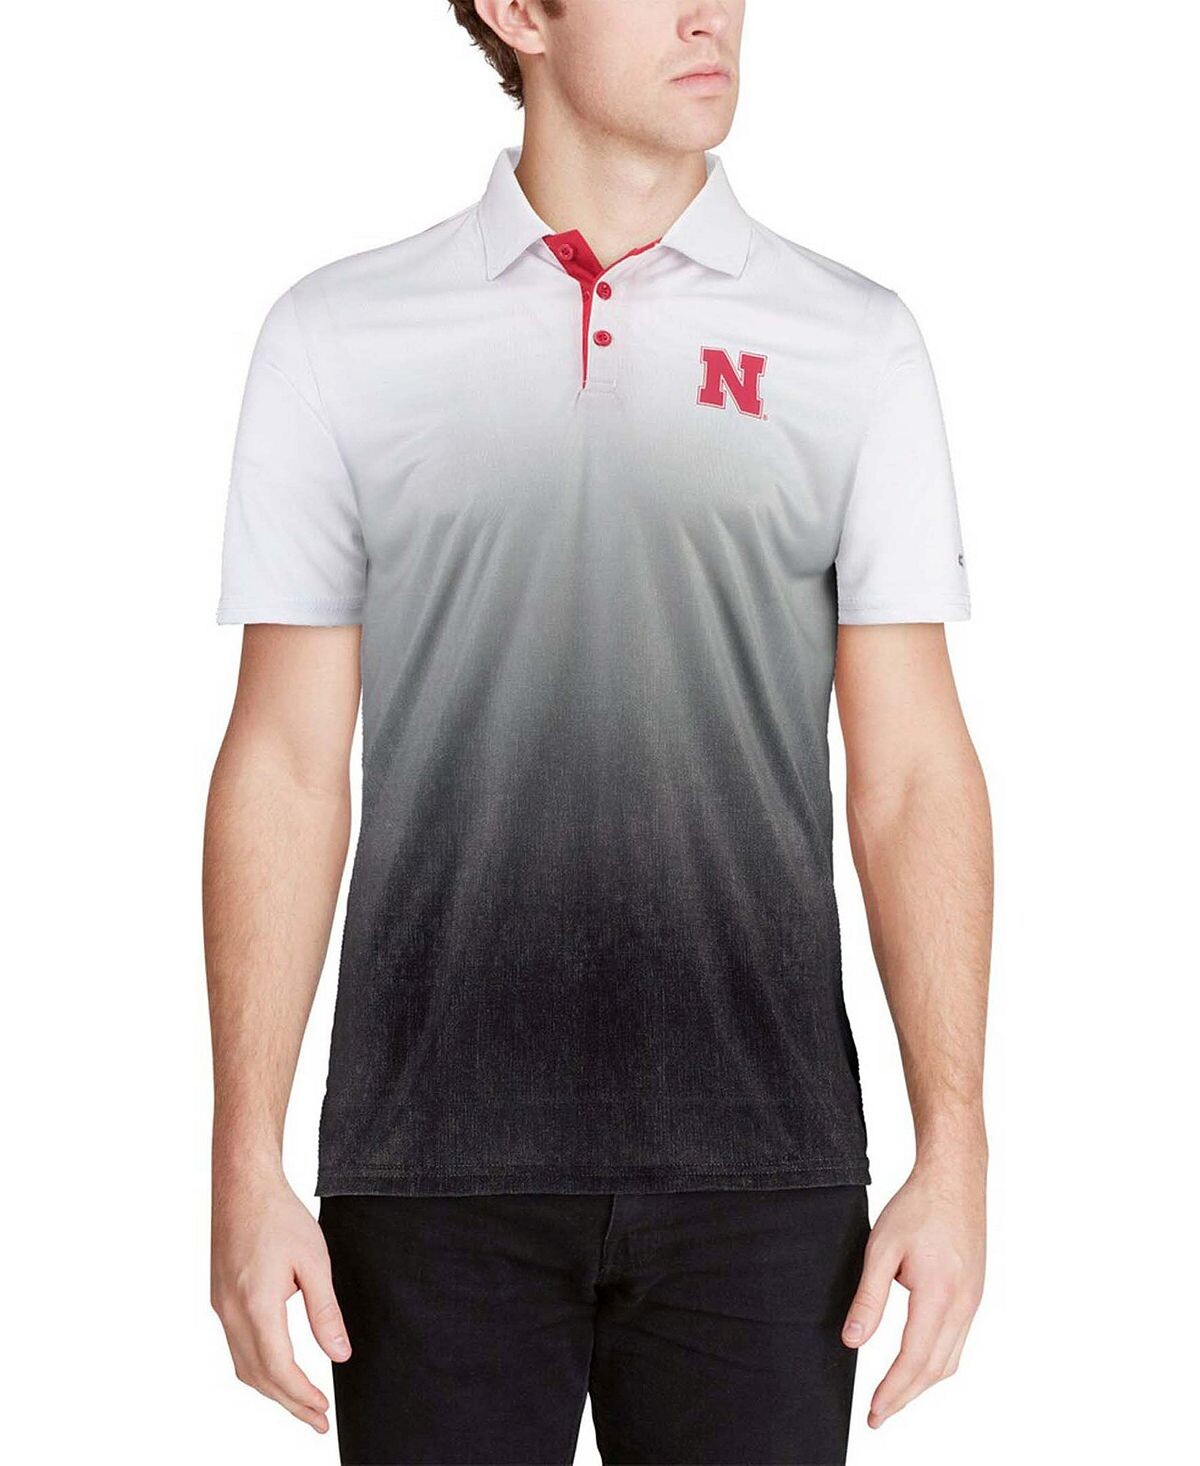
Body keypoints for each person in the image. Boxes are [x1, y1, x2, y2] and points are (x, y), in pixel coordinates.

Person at [204, 2, 992, 1462]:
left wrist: (958, 1146)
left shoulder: (856, 344)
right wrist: (242, 1159)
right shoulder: (338, 338)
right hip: (430, 1171)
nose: (714, 13)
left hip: (765, 1181)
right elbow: (288, 766)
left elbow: (910, 774)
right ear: (519, 11)